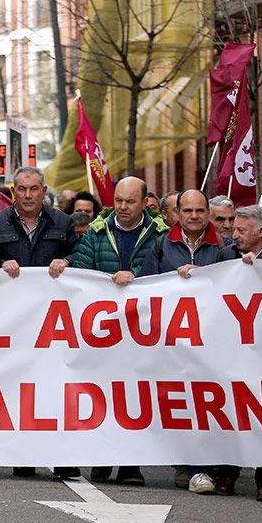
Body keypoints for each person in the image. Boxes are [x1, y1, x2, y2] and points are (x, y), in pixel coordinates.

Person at [65, 176, 166, 486]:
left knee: (135, 395)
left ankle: (131, 464)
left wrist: (133, 276)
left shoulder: (160, 235)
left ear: (144, 202)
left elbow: (164, 272)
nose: (122, 207)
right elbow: (82, 271)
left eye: (130, 201)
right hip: (103, 328)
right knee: (102, 392)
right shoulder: (97, 232)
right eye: (119, 200)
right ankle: (103, 456)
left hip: (142, 328)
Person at [0, 166, 80, 479]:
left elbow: (81, 254)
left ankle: (64, 457)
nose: (28, 195)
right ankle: (23, 454)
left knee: (56, 388)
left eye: (34, 189)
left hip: (53, 327)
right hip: (13, 325)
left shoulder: (63, 223)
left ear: (43, 190)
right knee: (18, 389)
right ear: (14, 191)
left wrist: (66, 261)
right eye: (22, 189)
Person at [139, 189, 224, 495]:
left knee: (204, 402)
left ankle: (199, 467)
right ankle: (188, 465)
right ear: (177, 213)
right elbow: (145, 285)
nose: (193, 216)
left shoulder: (223, 247)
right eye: (186, 211)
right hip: (172, 340)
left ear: (208, 213)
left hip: (210, 340)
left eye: (199, 211)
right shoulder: (163, 245)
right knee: (179, 402)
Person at [213, 205, 262, 502]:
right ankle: (228, 473)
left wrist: (260, 269)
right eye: (234, 229)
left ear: (261, 232)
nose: (234, 236)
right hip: (234, 349)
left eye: (241, 230)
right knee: (233, 409)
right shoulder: (227, 255)